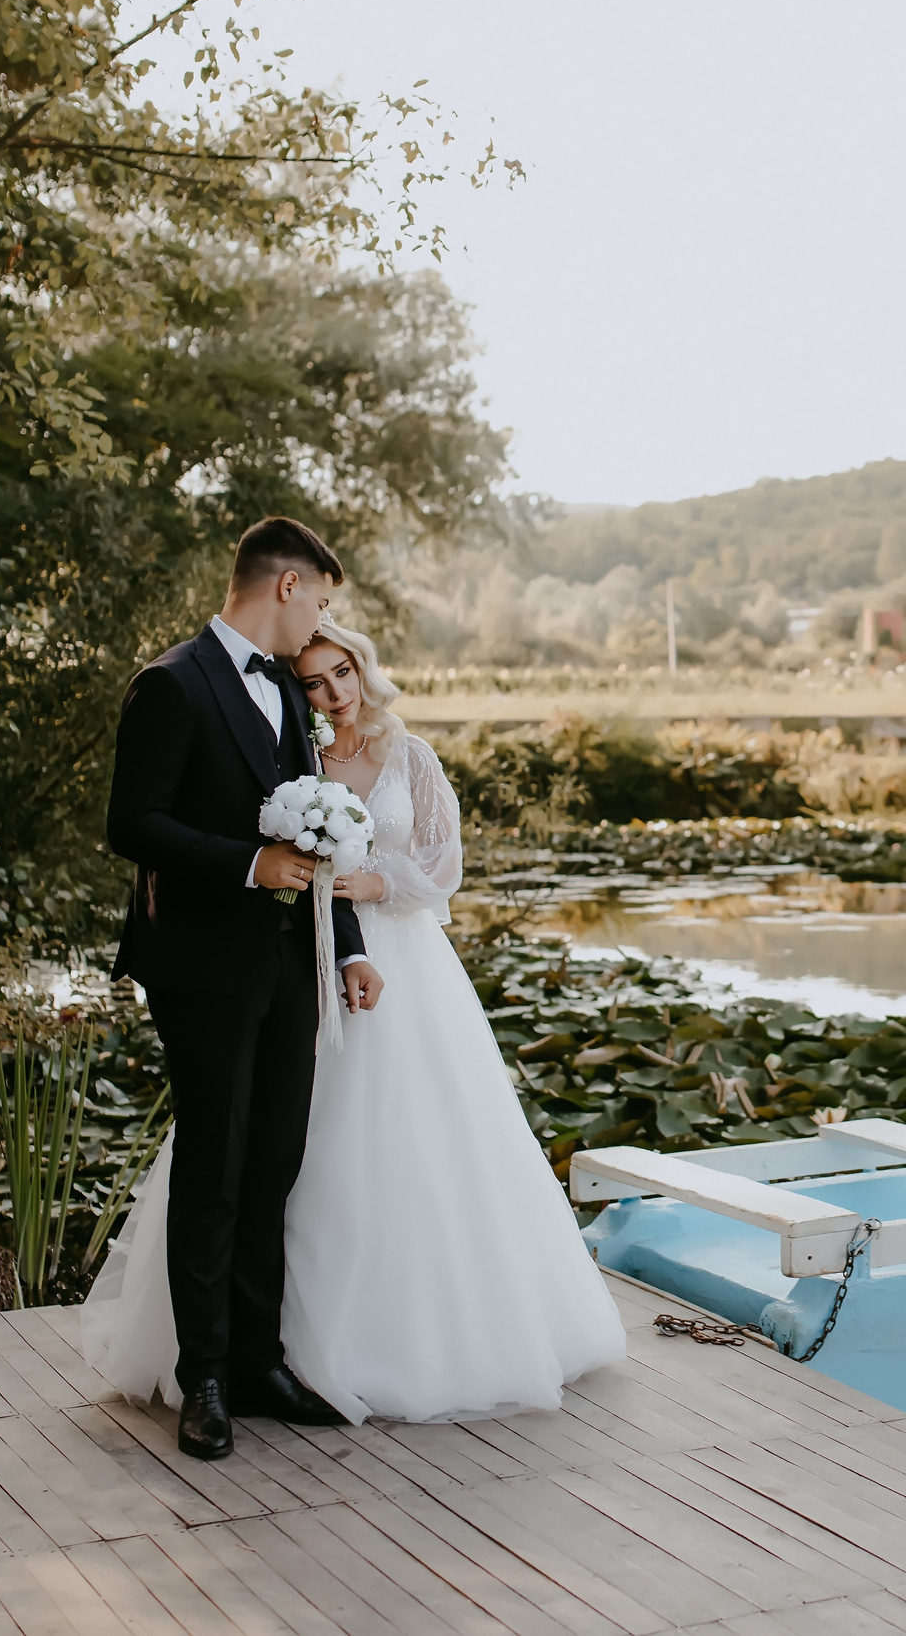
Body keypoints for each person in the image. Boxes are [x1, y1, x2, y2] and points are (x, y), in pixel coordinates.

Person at [85, 612, 625, 1428]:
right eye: (315, 679)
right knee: (287, 1158)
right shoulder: (288, 754)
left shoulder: (406, 752)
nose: (332, 691)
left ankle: (398, 1339)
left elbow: (444, 865)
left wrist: (374, 888)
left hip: (397, 957)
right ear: (298, 686)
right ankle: (244, 1353)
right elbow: (234, 849)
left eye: (341, 672)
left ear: (362, 669)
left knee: (409, 1149)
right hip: (298, 966)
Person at [95, 517, 388, 1461]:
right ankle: (206, 1377)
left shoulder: (286, 699)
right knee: (214, 1170)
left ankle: (261, 1361)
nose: (323, 624)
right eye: (323, 602)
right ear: (290, 584)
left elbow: (324, 839)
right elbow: (132, 821)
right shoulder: (171, 684)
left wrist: (343, 944)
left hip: (290, 967)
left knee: (274, 1162)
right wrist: (244, 865)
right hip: (203, 967)